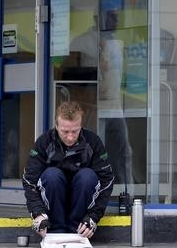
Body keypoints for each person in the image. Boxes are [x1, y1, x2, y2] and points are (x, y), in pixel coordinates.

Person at [22, 101, 114, 239]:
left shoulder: (93, 142)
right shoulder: (44, 142)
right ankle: (56, 231)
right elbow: (29, 181)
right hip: (53, 202)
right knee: (52, 175)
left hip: (82, 206)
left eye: (75, 131)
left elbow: (107, 181)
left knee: (87, 176)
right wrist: (38, 214)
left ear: (81, 126)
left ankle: (77, 231)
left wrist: (94, 217)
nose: (70, 137)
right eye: (65, 132)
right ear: (57, 126)